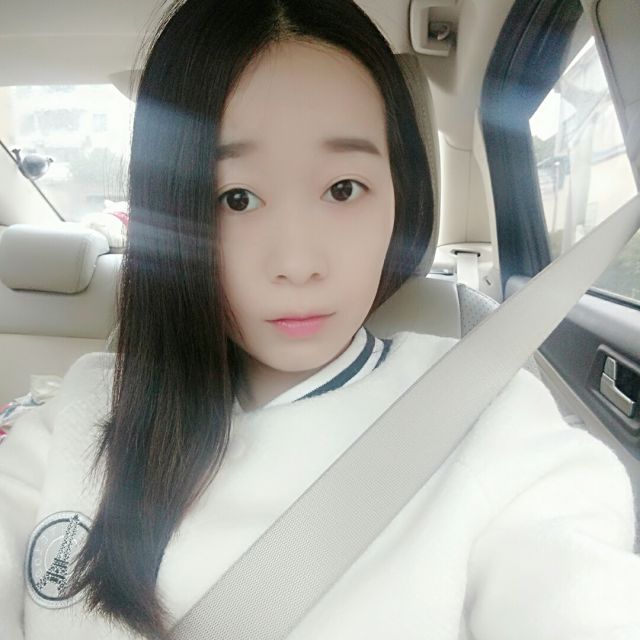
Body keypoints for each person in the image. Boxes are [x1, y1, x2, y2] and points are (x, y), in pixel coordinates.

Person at [1, 0, 639, 639]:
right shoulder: (71, 420)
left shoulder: (487, 415)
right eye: (236, 198)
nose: (298, 264)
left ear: (401, 194)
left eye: (343, 189)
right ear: (171, 208)